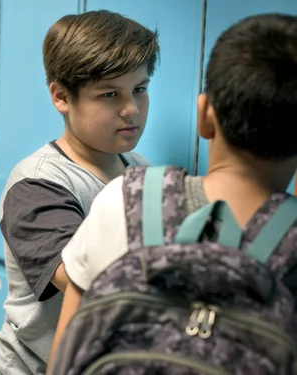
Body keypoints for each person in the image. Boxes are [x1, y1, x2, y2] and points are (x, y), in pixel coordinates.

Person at [48, 12, 297, 373]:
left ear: (205, 116)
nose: (130, 108)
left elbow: (64, 359)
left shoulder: (124, 200)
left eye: (140, 89)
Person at [0, 10, 159, 375]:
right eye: (110, 94)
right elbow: (87, 279)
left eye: (140, 89)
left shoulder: (141, 169)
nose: (131, 109)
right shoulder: (36, 184)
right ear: (61, 96)